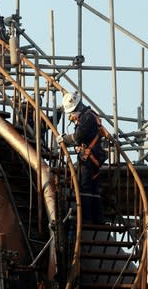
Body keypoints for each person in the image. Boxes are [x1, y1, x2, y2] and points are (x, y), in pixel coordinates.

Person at [58, 91, 107, 224]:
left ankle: (86, 218)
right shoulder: (89, 116)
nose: (71, 116)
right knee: (93, 188)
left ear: (77, 108)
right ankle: (98, 219)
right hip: (92, 155)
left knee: (84, 187)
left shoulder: (87, 118)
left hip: (89, 158)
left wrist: (64, 139)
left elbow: (77, 137)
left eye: (72, 113)